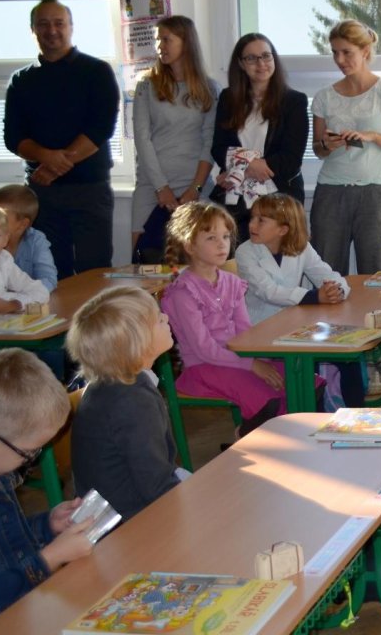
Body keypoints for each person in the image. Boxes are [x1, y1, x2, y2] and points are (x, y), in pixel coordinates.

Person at [0, 348, 94, 630]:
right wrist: (50, 557)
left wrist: (47, 526)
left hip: (23, 611)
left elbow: (3, 546)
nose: (32, 459)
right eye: (29, 452)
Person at [3, 0, 118, 278]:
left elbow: (101, 128)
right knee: (50, 272)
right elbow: (13, 137)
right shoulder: (21, 80)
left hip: (90, 190)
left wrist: (54, 167)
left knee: (95, 272)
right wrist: (47, 158)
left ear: (71, 27)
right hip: (42, 194)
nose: (52, 30)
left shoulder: (97, 71)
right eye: (43, 24)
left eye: (59, 23)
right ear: (33, 29)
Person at [160, 200, 295, 438]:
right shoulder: (183, 293)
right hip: (204, 369)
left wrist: (261, 359)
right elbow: (205, 350)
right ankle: (247, 438)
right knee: (268, 400)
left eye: (225, 236)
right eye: (211, 238)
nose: (222, 244)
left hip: (238, 360)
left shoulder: (232, 282)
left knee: (305, 383)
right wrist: (252, 365)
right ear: (190, 246)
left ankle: (288, 440)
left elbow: (245, 332)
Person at [234, 193, 365, 407]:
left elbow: (327, 274)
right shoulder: (245, 252)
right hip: (261, 329)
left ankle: (356, 417)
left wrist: (337, 290)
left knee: (348, 356)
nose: (252, 225)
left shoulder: (301, 247)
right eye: (252, 218)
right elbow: (269, 291)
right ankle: (313, 414)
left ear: (283, 230)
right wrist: (316, 297)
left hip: (294, 325)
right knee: (309, 359)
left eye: (261, 220)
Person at [68, 286, 184, 522]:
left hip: (121, 511)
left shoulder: (110, 384)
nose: (166, 317)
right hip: (129, 525)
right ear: (137, 342)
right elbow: (156, 485)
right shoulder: (133, 402)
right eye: (158, 319)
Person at [310, 20, 381, 275]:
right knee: (327, 275)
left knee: (376, 274)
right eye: (335, 52)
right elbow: (318, 149)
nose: (340, 60)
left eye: (347, 52)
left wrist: (373, 136)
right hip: (330, 193)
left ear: (365, 51)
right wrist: (327, 144)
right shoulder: (324, 97)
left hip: (378, 194)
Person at [131, 15, 220, 256]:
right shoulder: (146, 86)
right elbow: (142, 138)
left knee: (197, 261)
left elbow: (210, 141)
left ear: (186, 42)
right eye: (157, 40)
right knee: (144, 262)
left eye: (166, 39)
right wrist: (161, 187)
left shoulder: (210, 88)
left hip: (195, 188)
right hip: (152, 187)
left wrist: (195, 188)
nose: (160, 46)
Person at [211, 34, 308, 237]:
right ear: (241, 63)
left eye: (266, 56)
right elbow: (219, 148)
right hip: (236, 198)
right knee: (234, 253)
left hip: (280, 196)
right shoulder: (228, 98)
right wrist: (249, 166)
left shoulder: (294, 101)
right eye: (251, 58)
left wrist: (241, 170)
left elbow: (291, 158)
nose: (261, 63)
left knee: (275, 255)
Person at [0, 203, 49, 314]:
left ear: (6, 239)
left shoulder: (3, 258)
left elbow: (41, 291)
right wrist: (20, 302)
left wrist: (15, 304)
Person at [0, 185, 58, 292]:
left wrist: (23, 297)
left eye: (0, 217)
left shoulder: (36, 240)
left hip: (26, 299)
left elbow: (49, 279)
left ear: (22, 224)